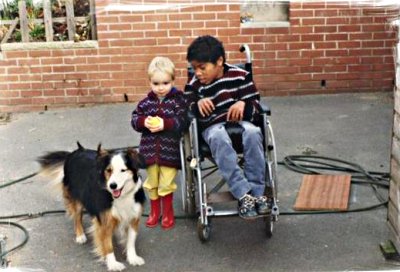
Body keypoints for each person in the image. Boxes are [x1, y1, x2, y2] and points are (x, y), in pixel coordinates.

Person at [185, 35, 269, 219]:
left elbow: (255, 102)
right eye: (194, 68)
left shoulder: (240, 76)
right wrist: (197, 104)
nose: (197, 73)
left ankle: (257, 192)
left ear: (219, 61)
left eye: (202, 67)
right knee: (218, 137)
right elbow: (186, 105)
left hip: (241, 125)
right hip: (213, 127)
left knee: (255, 132)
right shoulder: (195, 85)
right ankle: (243, 194)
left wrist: (243, 104)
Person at [131, 56, 186, 229]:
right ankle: (155, 211)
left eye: (165, 83)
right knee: (151, 183)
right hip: (148, 152)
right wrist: (143, 122)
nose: (160, 88)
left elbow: (183, 121)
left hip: (169, 152)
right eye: (156, 83)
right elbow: (134, 119)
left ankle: (168, 213)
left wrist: (165, 124)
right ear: (150, 82)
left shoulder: (178, 101)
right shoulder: (146, 103)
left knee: (166, 184)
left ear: (172, 81)